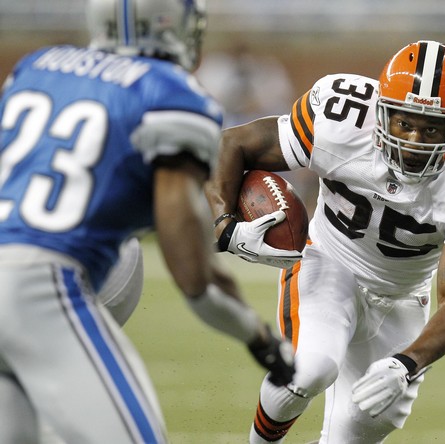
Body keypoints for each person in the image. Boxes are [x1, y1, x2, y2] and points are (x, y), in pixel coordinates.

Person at [0, 0, 294, 442]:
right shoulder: (170, 95)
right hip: (41, 286)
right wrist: (260, 339)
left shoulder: (36, 67)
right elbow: (194, 275)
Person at [205, 40, 445, 443]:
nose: (414, 140)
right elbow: (230, 144)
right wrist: (225, 227)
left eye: (432, 128)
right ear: (381, 112)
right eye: (404, 123)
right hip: (328, 262)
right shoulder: (341, 118)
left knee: (359, 426)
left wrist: (407, 363)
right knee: (311, 369)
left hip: (404, 298)